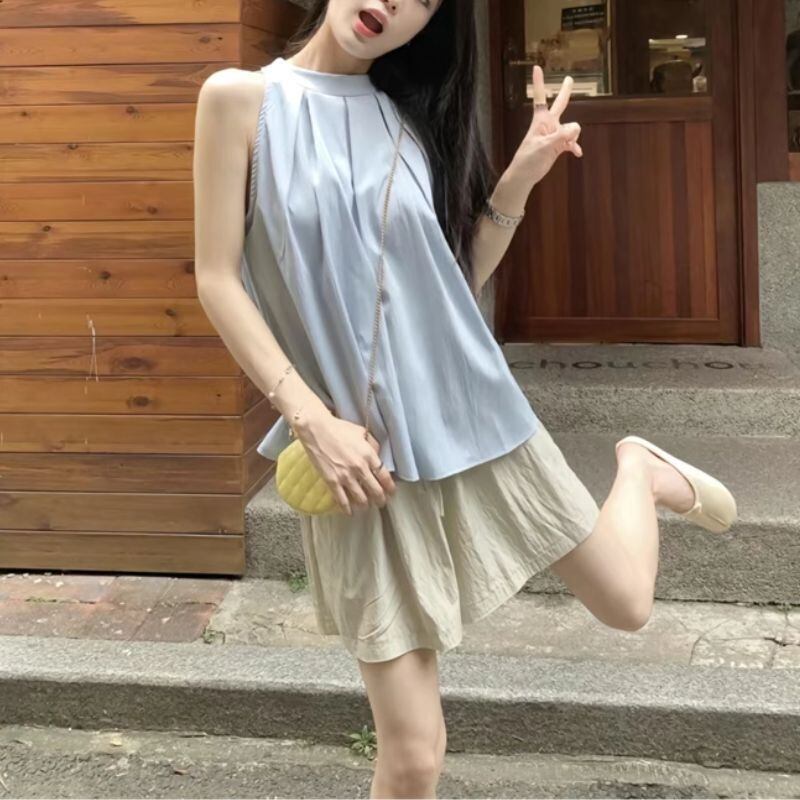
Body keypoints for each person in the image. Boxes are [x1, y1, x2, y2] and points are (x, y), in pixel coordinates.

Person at [192, 1, 738, 797]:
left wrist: (522, 173)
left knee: (626, 603)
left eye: (422, 0)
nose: (391, 2)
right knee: (414, 754)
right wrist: (309, 419)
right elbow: (216, 279)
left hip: (470, 410)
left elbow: (453, 282)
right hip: (359, 458)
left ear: (429, 27)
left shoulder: (409, 120)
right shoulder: (240, 101)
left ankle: (639, 469)